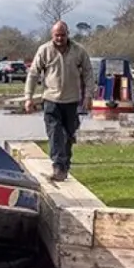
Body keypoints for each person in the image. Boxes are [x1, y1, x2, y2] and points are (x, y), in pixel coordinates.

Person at [23, 20, 92, 182]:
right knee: (55, 133)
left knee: (68, 135)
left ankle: (65, 165)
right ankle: (58, 166)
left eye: (62, 35)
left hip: (72, 100)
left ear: (68, 34)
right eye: (57, 35)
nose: (60, 38)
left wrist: (88, 96)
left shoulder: (79, 51)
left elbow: (88, 73)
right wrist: (28, 97)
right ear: (52, 35)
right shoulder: (44, 50)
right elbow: (33, 74)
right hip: (51, 99)